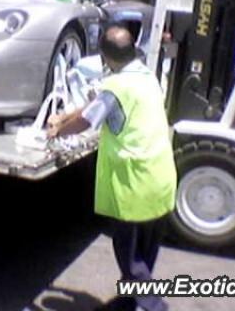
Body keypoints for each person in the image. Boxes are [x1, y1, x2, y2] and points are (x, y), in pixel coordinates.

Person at [47, 25, 176, 311]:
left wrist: (59, 131)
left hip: (133, 184)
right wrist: (65, 115)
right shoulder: (146, 77)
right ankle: (130, 301)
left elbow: (89, 119)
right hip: (160, 177)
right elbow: (98, 102)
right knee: (145, 250)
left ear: (105, 58)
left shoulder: (116, 86)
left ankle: (154, 306)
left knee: (129, 255)